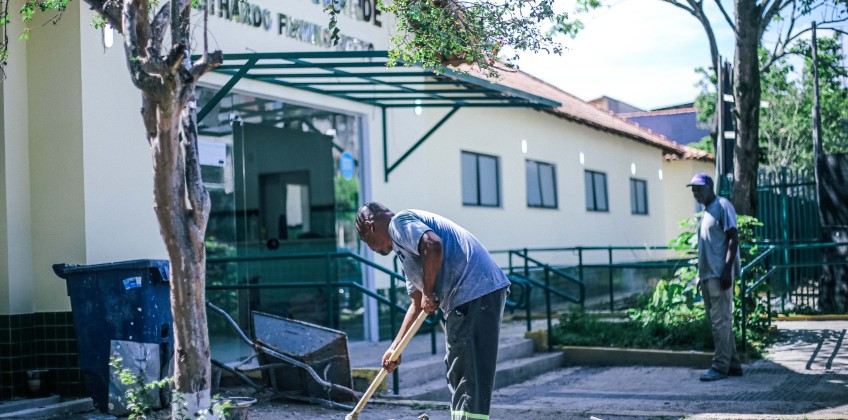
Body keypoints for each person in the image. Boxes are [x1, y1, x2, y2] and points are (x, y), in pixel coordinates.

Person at [356, 202, 510, 420]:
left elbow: (433, 245)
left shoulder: (400, 224)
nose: (370, 249)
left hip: (472, 292)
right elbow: (418, 303)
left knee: (468, 373)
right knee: (460, 371)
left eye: (365, 241)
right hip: (475, 294)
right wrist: (395, 348)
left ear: (370, 226)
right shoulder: (405, 250)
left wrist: (429, 292)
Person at [687, 173, 744, 381]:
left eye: (700, 189)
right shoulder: (707, 211)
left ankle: (720, 366)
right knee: (720, 322)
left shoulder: (722, 205)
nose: (696, 193)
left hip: (719, 276)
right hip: (708, 276)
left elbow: (733, 238)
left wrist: (728, 270)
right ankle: (733, 364)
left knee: (720, 322)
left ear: (711, 187)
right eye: (693, 190)